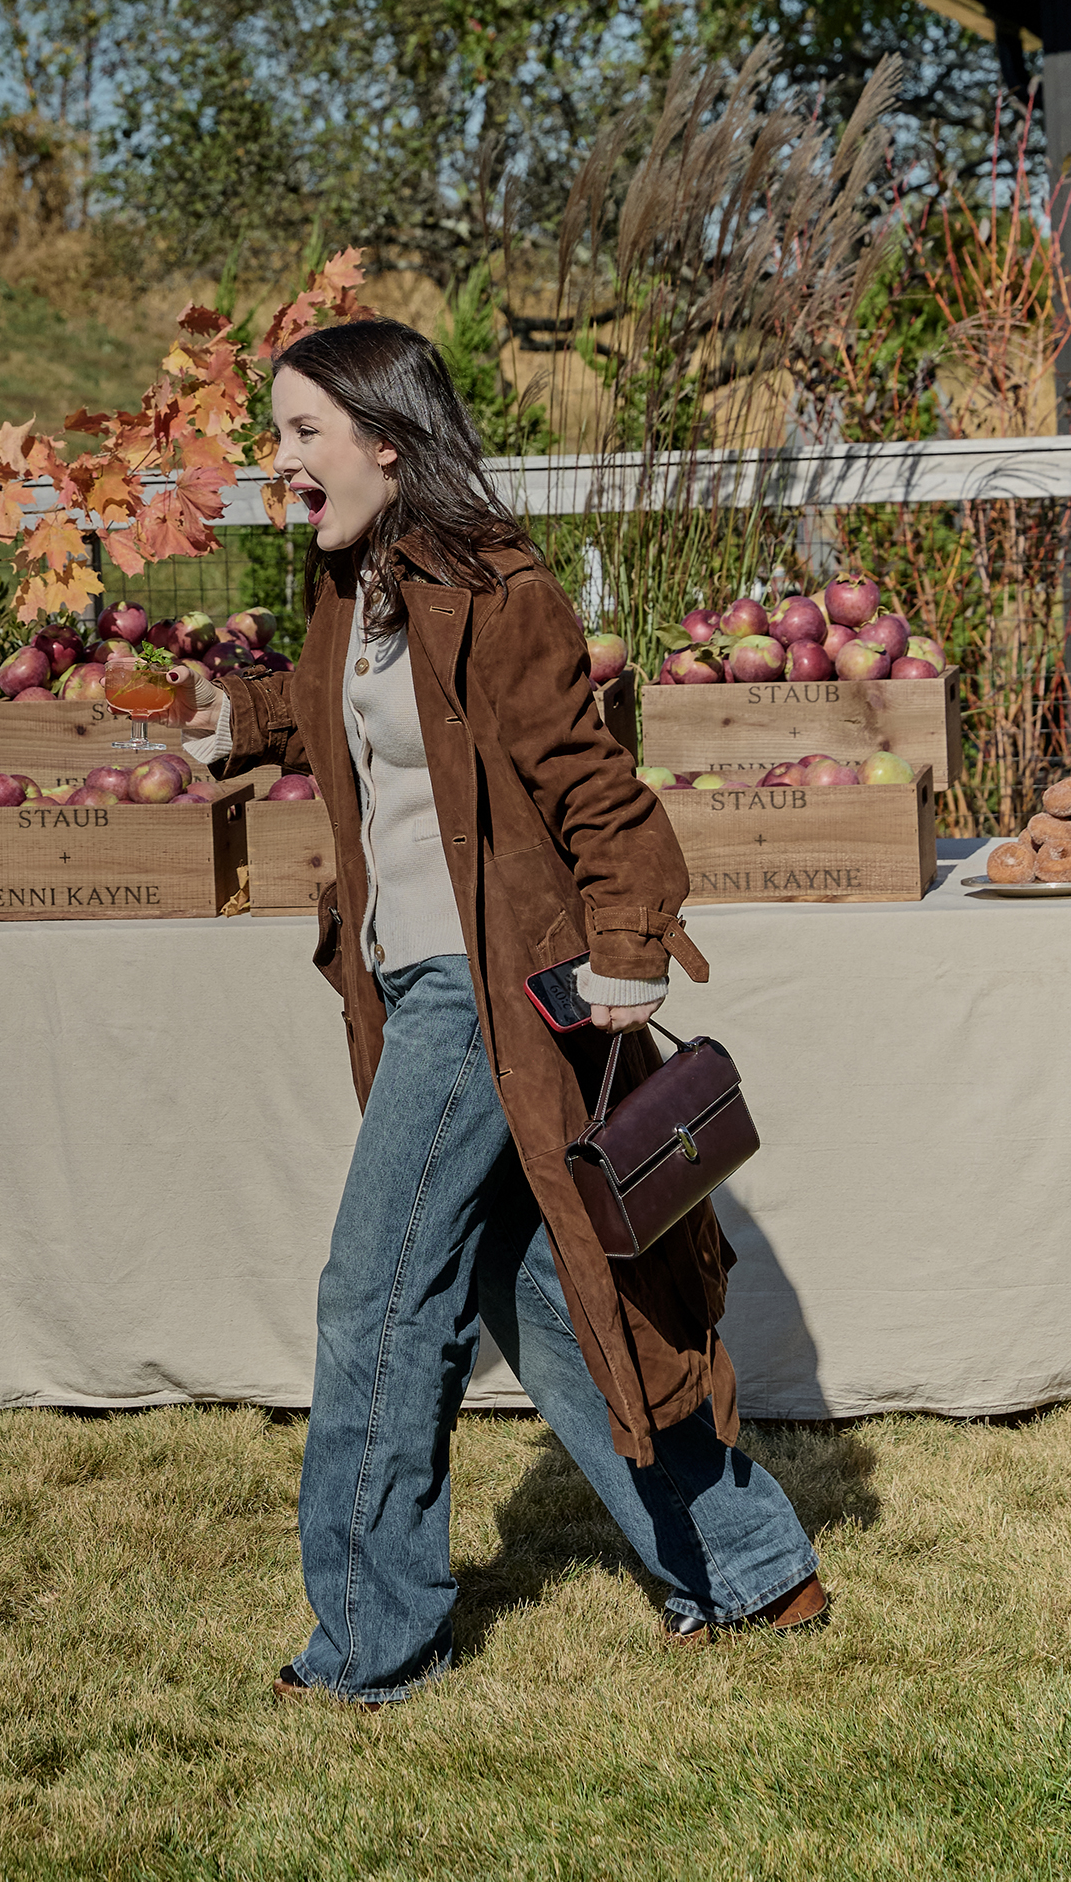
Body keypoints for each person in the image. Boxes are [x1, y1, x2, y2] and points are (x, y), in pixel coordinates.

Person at [184, 317, 827, 1706]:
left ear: (386, 441)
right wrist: (234, 717)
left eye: (303, 432)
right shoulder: (352, 585)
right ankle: (754, 1565)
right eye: (277, 432)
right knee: (538, 1288)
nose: (279, 459)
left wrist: (633, 943)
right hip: (409, 980)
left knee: (379, 1302)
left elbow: (594, 786)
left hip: (487, 1001)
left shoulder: (497, 586)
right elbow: (364, 718)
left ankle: (369, 1646)